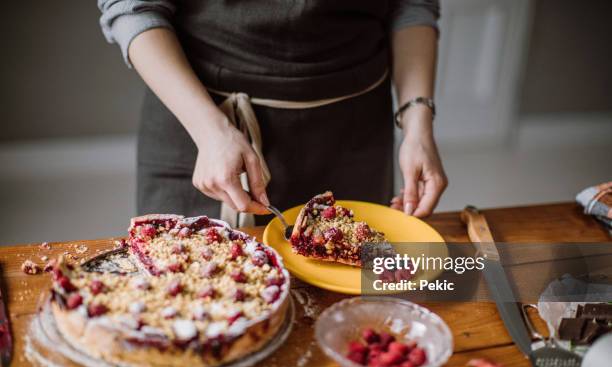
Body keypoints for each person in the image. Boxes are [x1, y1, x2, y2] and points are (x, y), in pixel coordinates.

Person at [98, 0, 447, 226]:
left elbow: (411, 4)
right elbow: (133, 7)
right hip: (199, 118)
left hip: (352, 131)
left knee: (351, 304)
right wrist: (210, 131)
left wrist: (418, 123)